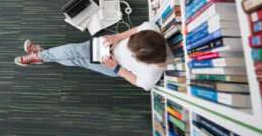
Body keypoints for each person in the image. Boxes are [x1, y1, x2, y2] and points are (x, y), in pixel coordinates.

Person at [14, 22, 168, 91]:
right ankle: (41, 56)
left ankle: (41, 55)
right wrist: (118, 37)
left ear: (144, 62)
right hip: (111, 44)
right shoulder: (152, 30)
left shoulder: (152, 75)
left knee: (77, 59)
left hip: (114, 66)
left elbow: (137, 81)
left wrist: (116, 68)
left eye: (133, 54)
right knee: (74, 51)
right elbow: (136, 29)